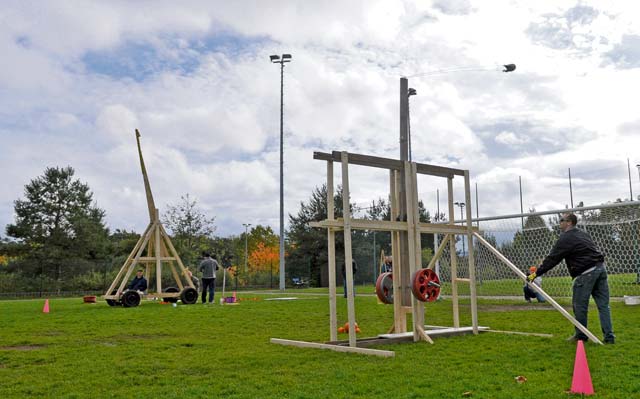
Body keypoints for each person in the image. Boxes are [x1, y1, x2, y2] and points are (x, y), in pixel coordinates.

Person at [528, 213, 615, 344]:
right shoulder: (583, 234)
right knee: (604, 306)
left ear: (569, 222)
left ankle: (581, 336)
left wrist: (535, 274)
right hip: (600, 269)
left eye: (561, 220)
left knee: (579, 306)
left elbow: (553, 259)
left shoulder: (565, 238)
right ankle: (609, 338)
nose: (559, 223)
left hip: (586, 273)